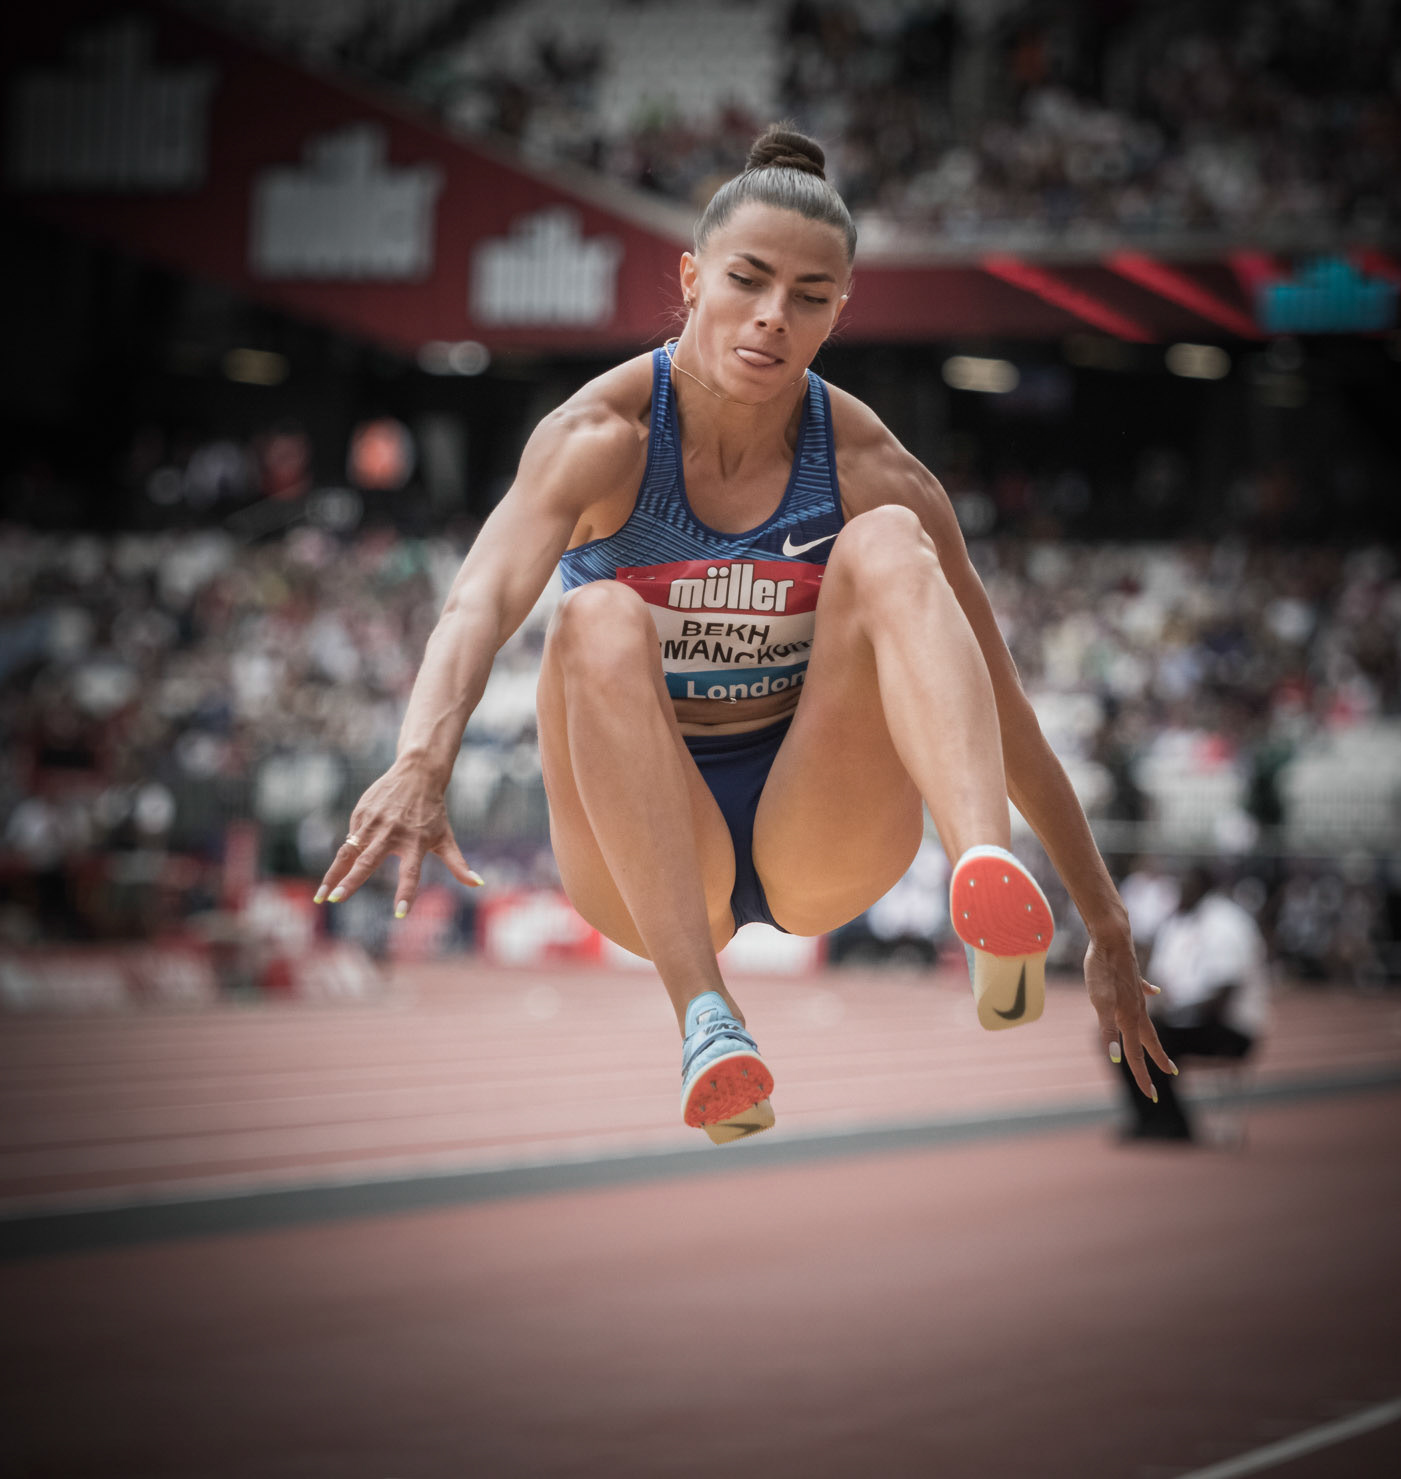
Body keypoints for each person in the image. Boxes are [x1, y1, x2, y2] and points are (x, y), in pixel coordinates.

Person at [315, 124, 1172, 1144]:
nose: (773, 318)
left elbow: (995, 701)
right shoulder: (601, 440)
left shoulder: (870, 465)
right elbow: (478, 603)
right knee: (593, 614)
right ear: (690, 278)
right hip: (650, 843)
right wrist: (422, 759)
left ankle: (983, 878)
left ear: (840, 310)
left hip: (819, 822)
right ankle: (706, 1020)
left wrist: (1105, 919)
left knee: (893, 544)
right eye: (749, 281)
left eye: (810, 297)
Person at [1115, 866, 1269, 1142]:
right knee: (1122, 1034)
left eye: (1184, 887)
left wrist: (1175, 1013)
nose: (1177, 895)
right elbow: (1159, 982)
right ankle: (1153, 1119)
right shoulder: (1178, 924)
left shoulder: (1227, 923)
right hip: (1185, 1021)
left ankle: (1174, 1124)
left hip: (1229, 1026)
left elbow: (1225, 992)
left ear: (1202, 886)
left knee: (1152, 1039)